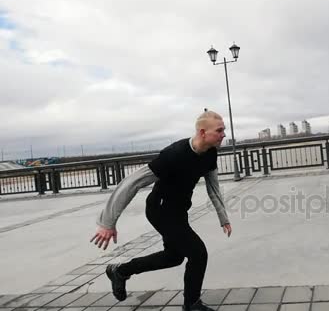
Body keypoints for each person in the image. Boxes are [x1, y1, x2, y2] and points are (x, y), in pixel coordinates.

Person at [90, 110, 232, 311]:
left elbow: (213, 187)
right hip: (160, 210)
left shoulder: (210, 153)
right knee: (198, 253)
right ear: (202, 132)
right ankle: (191, 305)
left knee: (173, 257)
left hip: (178, 211)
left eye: (223, 130)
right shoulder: (174, 154)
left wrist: (223, 217)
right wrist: (107, 222)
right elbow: (132, 182)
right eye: (219, 130)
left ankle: (120, 271)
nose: (223, 134)